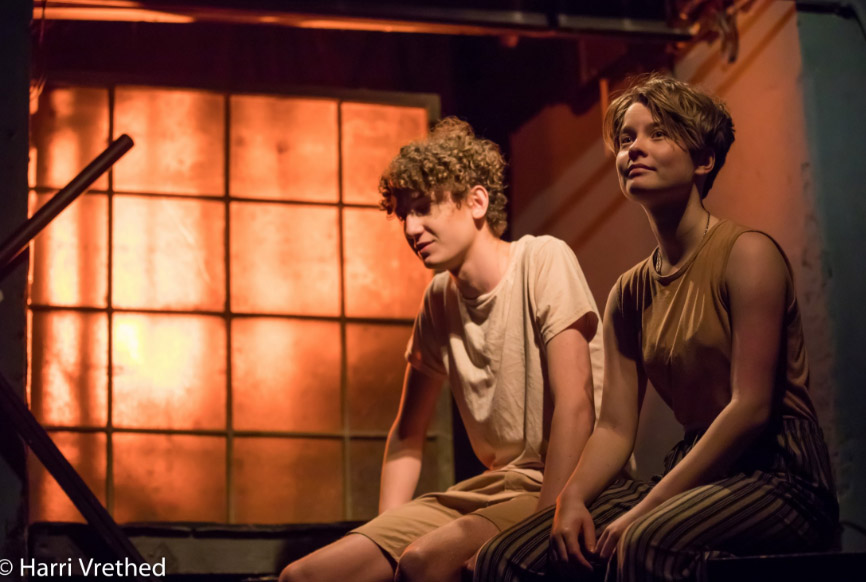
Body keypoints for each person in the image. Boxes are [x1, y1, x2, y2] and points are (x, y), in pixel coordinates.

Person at [473, 74, 839, 582]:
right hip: (695, 470)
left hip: (781, 475)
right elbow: (614, 427)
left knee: (645, 541)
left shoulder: (747, 254)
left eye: (658, 134)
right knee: (506, 556)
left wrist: (647, 508)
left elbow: (750, 408)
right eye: (626, 139)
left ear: (703, 160)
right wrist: (569, 500)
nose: (634, 149)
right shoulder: (629, 292)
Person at [279, 117, 605, 582]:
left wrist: (539, 529)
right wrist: (385, 529)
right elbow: (407, 435)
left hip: (565, 483)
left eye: (424, 208)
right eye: (403, 215)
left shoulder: (541, 260)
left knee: (421, 563)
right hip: (492, 488)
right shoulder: (439, 298)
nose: (412, 228)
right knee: (303, 577)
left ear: (477, 201)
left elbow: (577, 404)